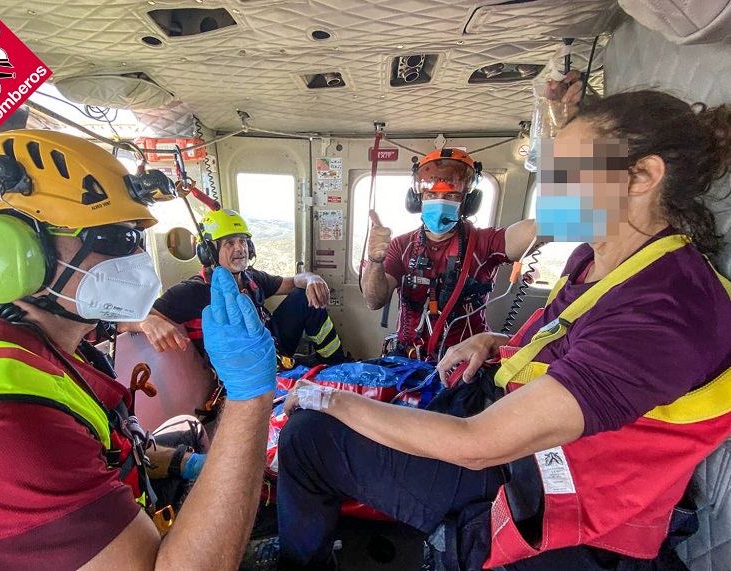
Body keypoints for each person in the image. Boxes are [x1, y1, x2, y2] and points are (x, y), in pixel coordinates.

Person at [275, 91, 731, 570]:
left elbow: (478, 444)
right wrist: (495, 342)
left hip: (541, 482)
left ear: (643, 177)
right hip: (507, 422)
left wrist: (330, 399)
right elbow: (566, 345)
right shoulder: (597, 261)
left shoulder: (668, 308)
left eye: (567, 170)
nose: (550, 189)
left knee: (308, 437)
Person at [0, 130, 277, 570]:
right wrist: (250, 398)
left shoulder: (41, 340)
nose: (136, 262)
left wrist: (183, 463)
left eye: (135, 241)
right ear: (16, 250)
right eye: (113, 240)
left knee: (190, 430)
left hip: (122, 511)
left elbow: (101, 449)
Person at [363, 72, 585, 361]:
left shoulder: (485, 242)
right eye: (431, 196)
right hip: (409, 359)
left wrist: (568, 125)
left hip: (467, 362)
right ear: (418, 200)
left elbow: (561, 217)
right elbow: (373, 300)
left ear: (468, 202)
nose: (440, 202)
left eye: (451, 196)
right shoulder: (401, 245)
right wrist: (375, 261)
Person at [130, 208, 347, 365]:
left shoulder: (251, 278)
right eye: (229, 243)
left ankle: (337, 364)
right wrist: (146, 322)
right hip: (242, 365)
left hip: (273, 347)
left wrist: (311, 279)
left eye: (243, 241)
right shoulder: (193, 291)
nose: (240, 248)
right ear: (209, 252)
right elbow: (126, 320)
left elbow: (292, 282)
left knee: (303, 297)